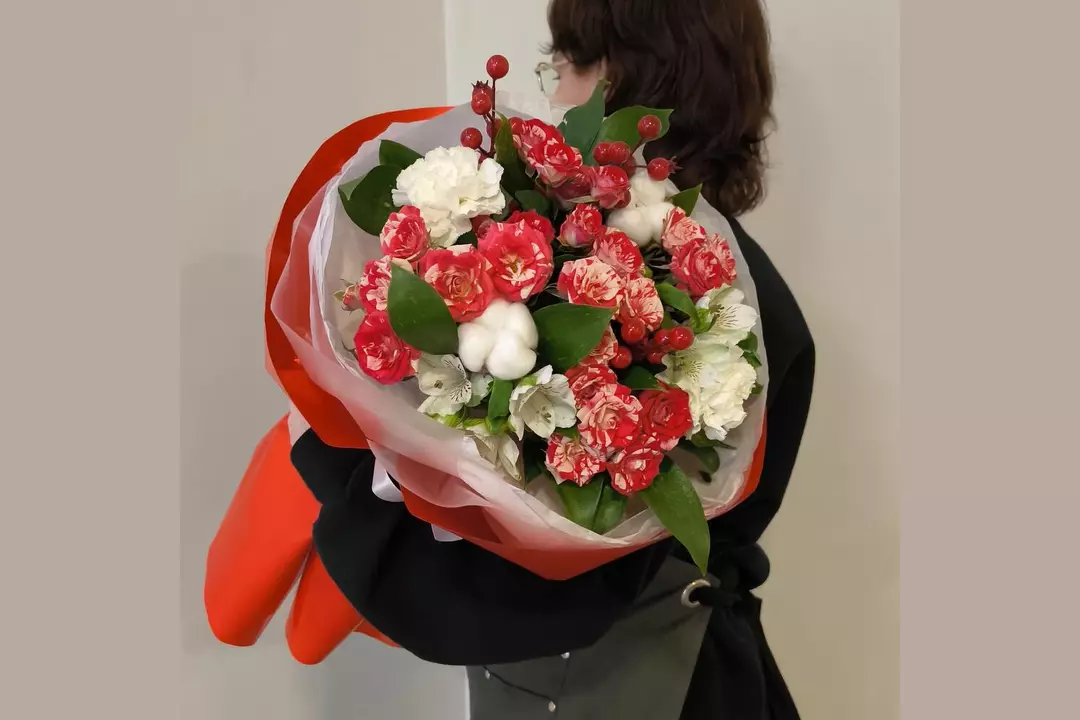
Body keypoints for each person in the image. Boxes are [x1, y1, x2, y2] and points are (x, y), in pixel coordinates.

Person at [288, 2, 814, 718]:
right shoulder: (747, 293)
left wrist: (344, 465)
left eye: (562, 62)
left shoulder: (647, 298)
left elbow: (550, 575)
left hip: (643, 687)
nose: (556, 90)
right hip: (685, 673)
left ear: (624, 74)